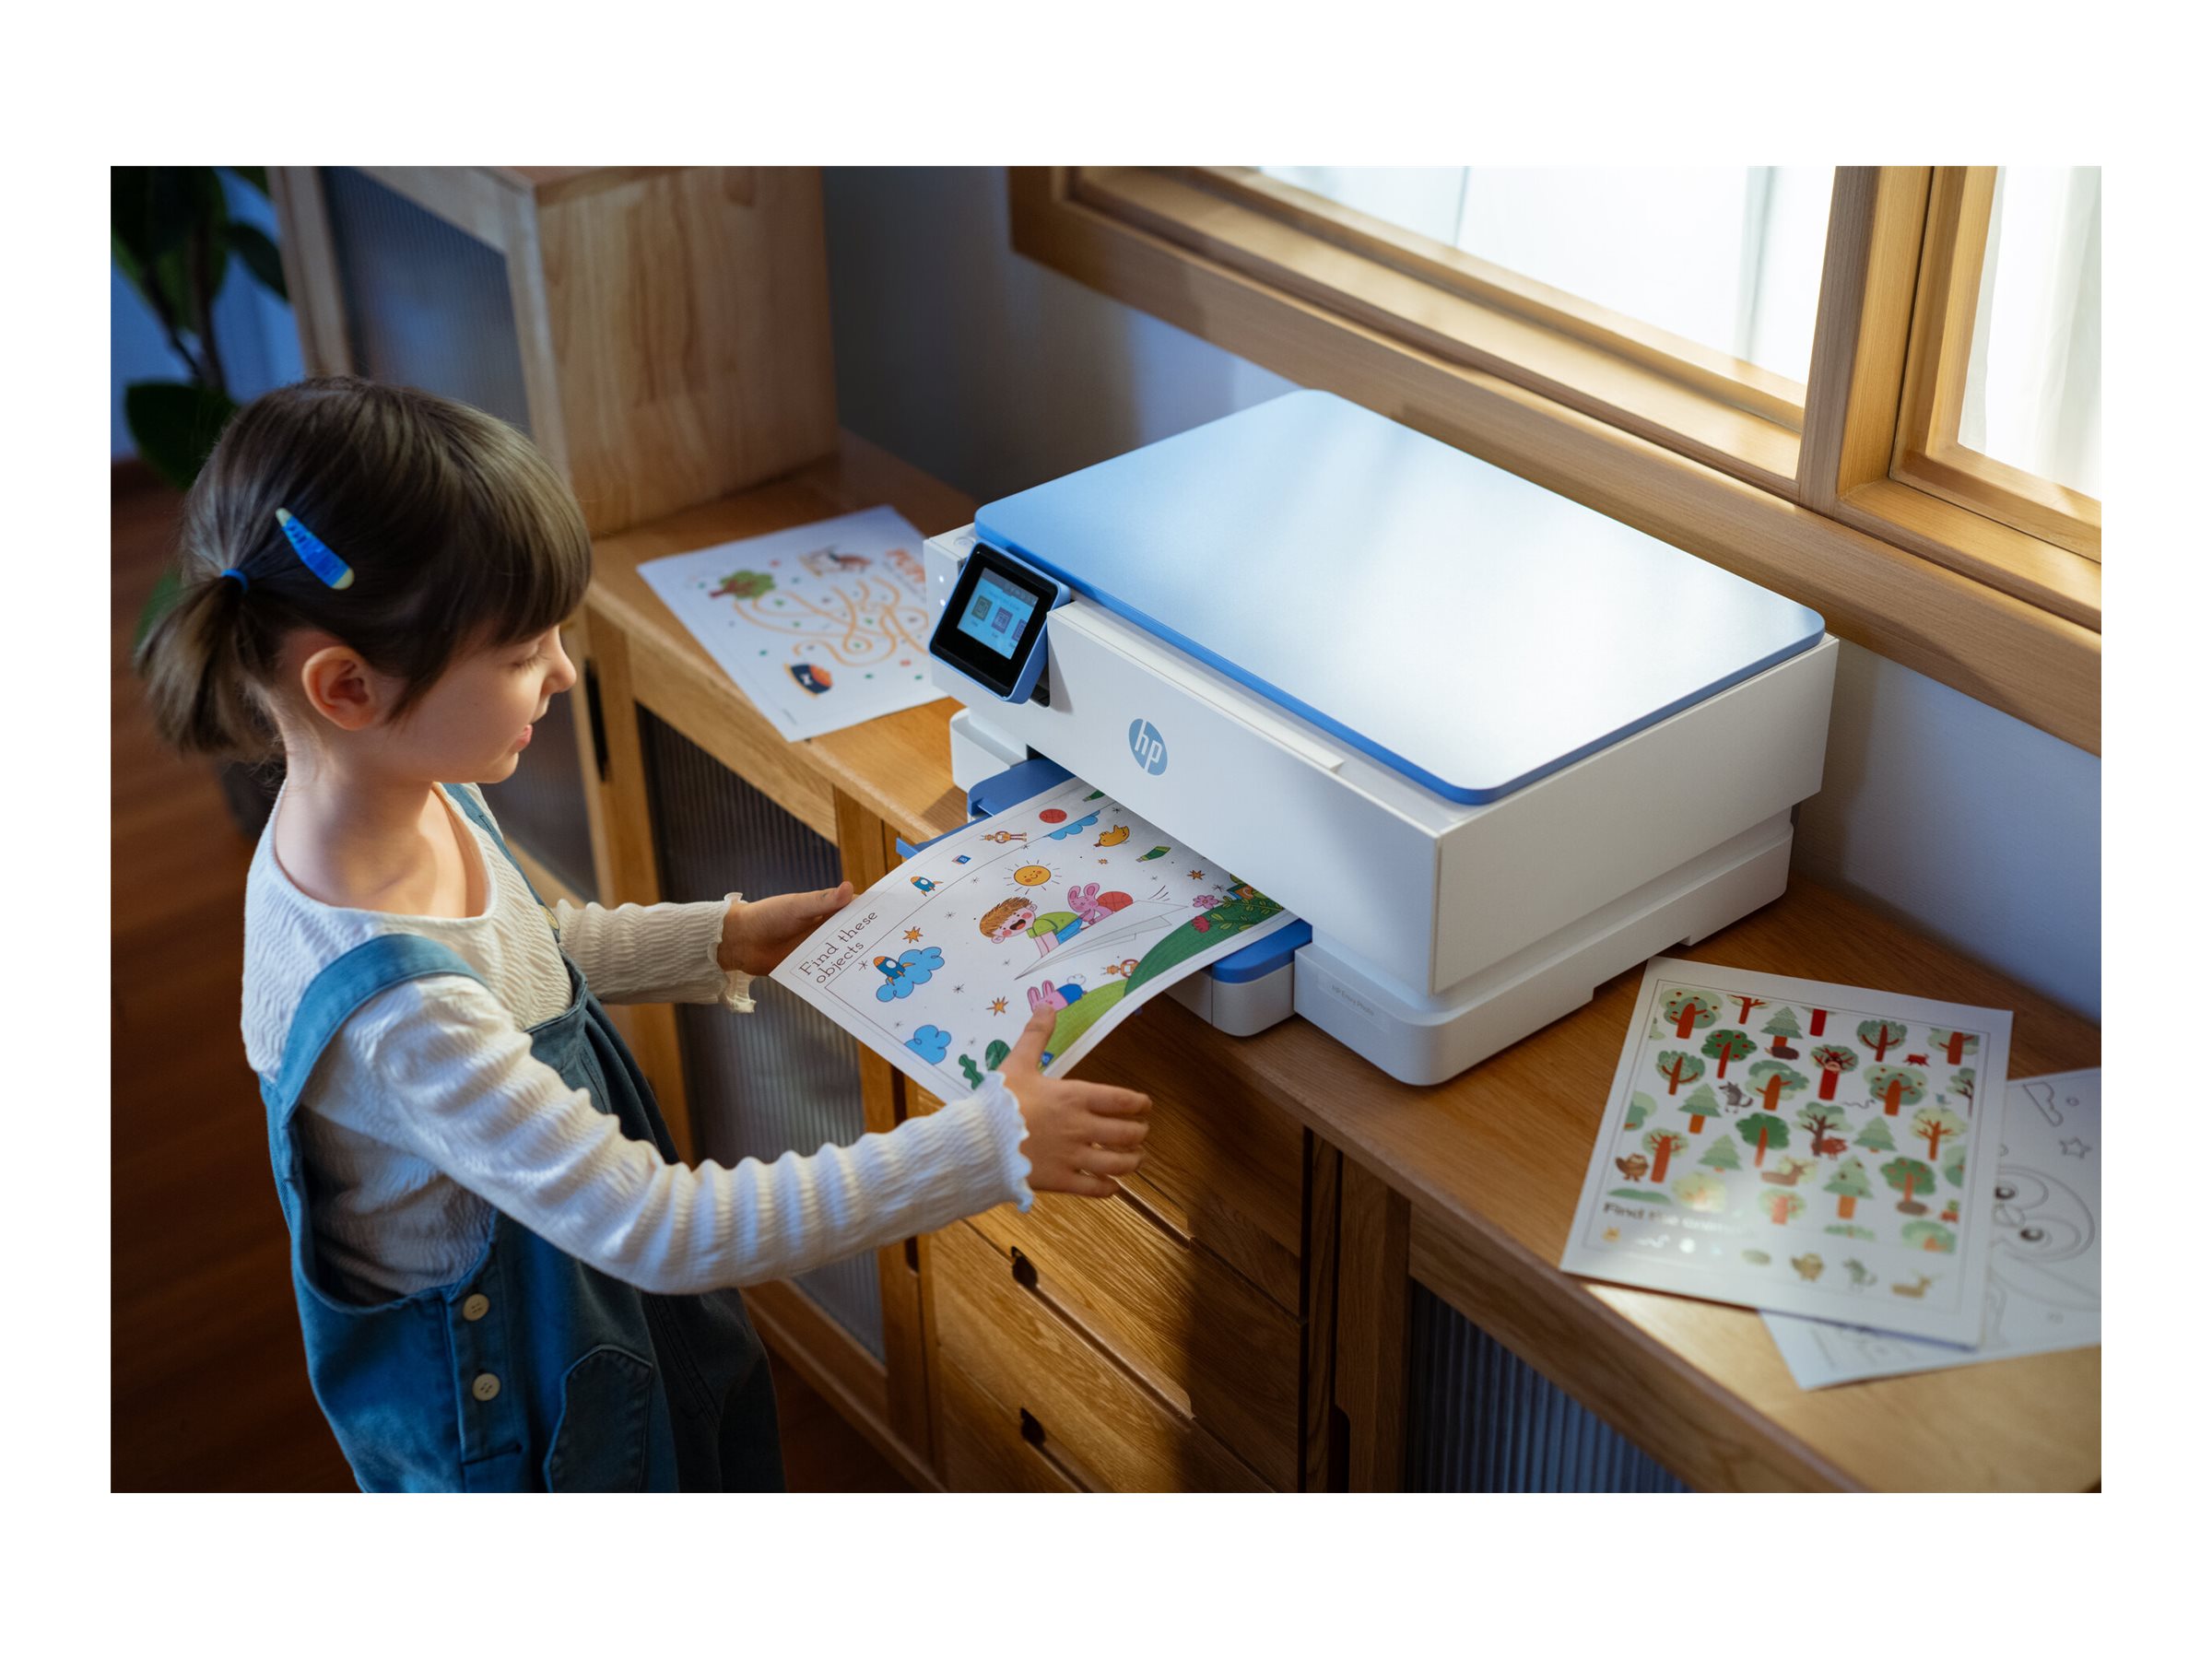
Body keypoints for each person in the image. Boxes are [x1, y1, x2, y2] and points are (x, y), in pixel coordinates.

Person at [136, 376, 1149, 1491]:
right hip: (524, 1408)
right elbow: (664, 1229)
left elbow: (520, 949)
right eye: (520, 654)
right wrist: (986, 1148)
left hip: (577, 1287)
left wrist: (721, 938)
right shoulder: (401, 1013)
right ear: (347, 688)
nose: (563, 672)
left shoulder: (398, 788)